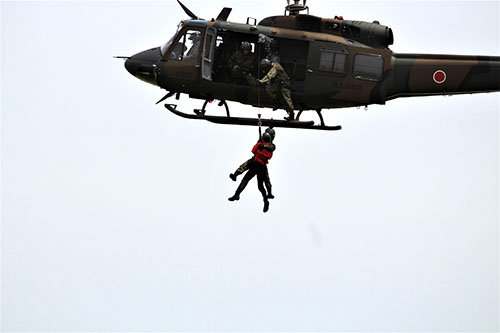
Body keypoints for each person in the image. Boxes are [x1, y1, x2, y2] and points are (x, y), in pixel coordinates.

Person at [228, 132, 274, 213]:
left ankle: (267, 197)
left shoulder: (270, 146)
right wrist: (259, 143)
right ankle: (265, 199)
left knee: (249, 181)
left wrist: (261, 145)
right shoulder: (264, 144)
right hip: (256, 163)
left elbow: (258, 150)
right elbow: (254, 151)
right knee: (259, 185)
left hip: (259, 165)